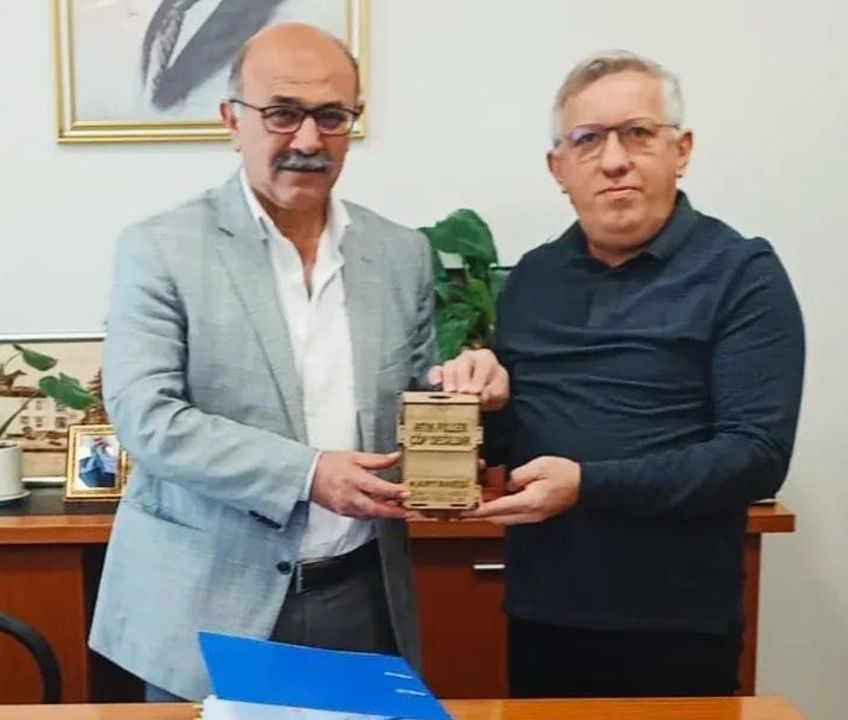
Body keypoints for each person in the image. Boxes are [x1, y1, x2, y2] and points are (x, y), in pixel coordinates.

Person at [90, 22, 509, 702]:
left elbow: (414, 407)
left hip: (360, 597)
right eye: (282, 113)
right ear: (233, 120)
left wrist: (466, 390)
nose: (309, 140)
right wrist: (309, 474)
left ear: (354, 121)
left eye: (330, 116)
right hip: (208, 609)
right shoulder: (161, 248)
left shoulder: (399, 254)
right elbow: (148, 419)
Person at [468, 50, 805, 698]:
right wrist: (488, 402)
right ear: (558, 168)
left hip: (678, 627)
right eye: (587, 139)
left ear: (681, 151)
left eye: (638, 133)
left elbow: (756, 457)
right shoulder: (533, 279)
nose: (614, 160)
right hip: (541, 616)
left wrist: (588, 485)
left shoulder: (742, 274)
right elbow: (508, 447)